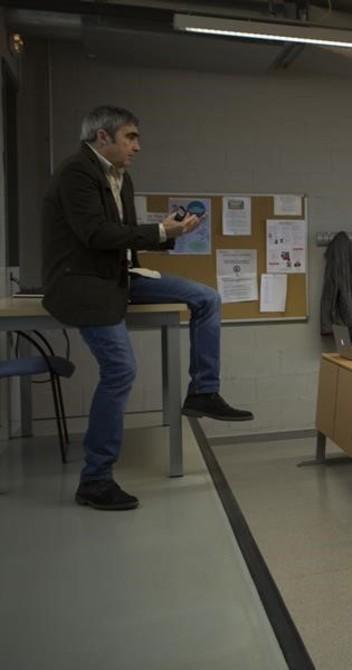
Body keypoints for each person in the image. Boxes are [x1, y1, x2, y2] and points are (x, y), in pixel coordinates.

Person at [42, 105, 253, 512]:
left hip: (119, 274)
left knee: (206, 298)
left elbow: (121, 237)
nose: (137, 146)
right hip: (83, 283)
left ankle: (204, 392)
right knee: (121, 370)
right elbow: (95, 233)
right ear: (102, 138)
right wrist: (161, 230)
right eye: (130, 137)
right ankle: (95, 479)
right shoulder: (76, 173)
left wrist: (168, 232)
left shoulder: (122, 177)